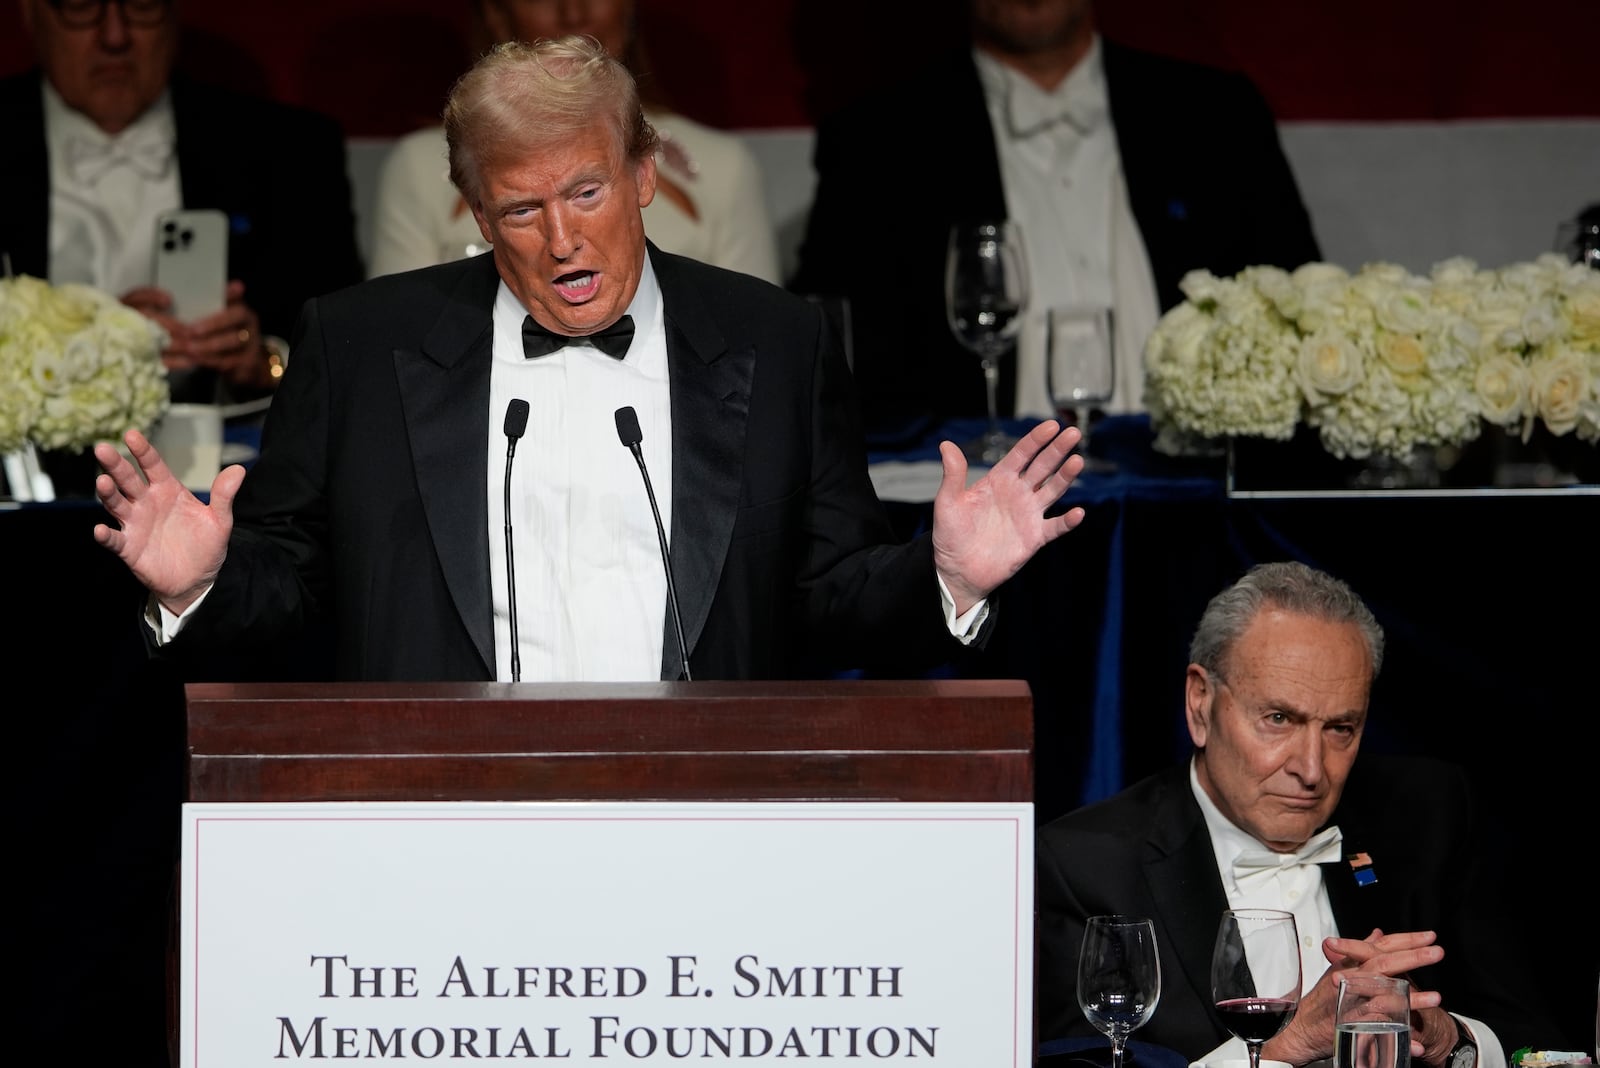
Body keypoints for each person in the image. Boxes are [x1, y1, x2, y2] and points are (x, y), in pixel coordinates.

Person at [89, 34, 1087, 684]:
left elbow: (826, 601)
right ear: (479, 215)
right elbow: (296, 591)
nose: (562, 239)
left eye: (586, 193)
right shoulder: (359, 344)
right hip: (438, 822)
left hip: (701, 820)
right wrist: (197, 587)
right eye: (522, 208)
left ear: (643, 173)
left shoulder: (774, 340)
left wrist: (945, 580)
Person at [1035, 561, 1563, 1068]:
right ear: (1200, 704)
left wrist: (1452, 1041)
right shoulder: (1084, 867)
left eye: (1341, 728)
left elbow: (1538, 1038)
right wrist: (1287, 1047)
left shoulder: (1430, 814)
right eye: (1279, 719)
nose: (1312, 770)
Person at [789, 0, 1321, 441]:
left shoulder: (1218, 114)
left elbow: (1304, 311)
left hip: (1198, 505)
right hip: (975, 510)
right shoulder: (875, 140)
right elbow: (827, 357)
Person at [0, 0, 365, 404]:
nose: (114, 37)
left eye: (141, 6)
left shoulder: (291, 148)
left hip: (233, 453)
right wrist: (73, 348)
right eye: (82, 7)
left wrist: (265, 360)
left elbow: (350, 344)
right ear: (31, 14)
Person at [368, 0, 781, 285]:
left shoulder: (724, 165)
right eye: (521, 210)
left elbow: (756, 337)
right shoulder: (419, 167)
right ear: (496, 13)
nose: (573, 12)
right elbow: (399, 337)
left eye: (588, 192)